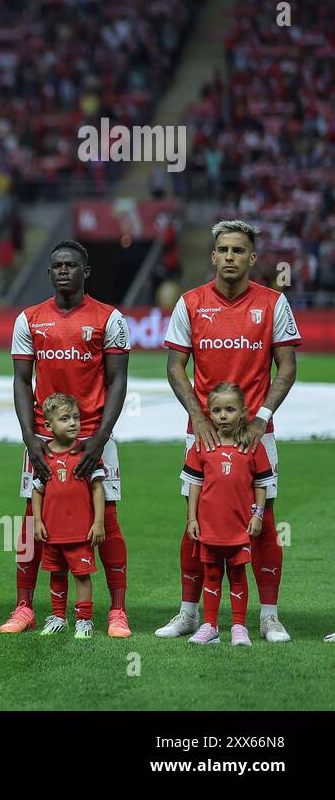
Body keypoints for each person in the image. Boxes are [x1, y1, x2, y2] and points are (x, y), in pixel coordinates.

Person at [158, 220, 299, 643]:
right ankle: (189, 613)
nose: (231, 257)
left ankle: (268, 617)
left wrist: (260, 418)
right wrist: (198, 418)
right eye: (224, 250)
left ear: (253, 258)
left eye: (240, 250)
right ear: (213, 255)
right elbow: (174, 368)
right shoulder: (190, 303)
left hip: (257, 434)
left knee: (264, 521)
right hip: (202, 434)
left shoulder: (274, 303)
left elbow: (287, 368)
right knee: (197, 521)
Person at [3, 239, 132, 637]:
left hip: (94, 437)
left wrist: (100, 437)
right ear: (48, 273)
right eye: (56, 265)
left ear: (85, 272)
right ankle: (25, 607)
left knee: (105, 521)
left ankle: (117, 611)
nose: (62, 270)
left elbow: (117, 380)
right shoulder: (28, 319)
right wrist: (30, 438)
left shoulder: (109, 319)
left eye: (71, 265)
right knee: (34, 523)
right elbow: (22, 383)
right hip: (42, 441)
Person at [182, 383, 272, 647]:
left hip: (239, 527)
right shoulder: (202, 446)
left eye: (230, 410)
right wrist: (192, 518)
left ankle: (239, 627)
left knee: (237, 575)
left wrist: (257, 516)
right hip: (210, 526)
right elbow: (194, 485)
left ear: (243, 412)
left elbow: (261, 485)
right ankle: (210, 626)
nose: (223, 415)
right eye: (217, 410)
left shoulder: (253, 447)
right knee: (211, 573)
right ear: (209, 413)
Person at [29, 393, 106, 640]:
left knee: (82, 575)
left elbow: (97, 488)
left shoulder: (87, 453)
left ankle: (84, 621)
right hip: (53, 530)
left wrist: (98, 522)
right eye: (65, 418)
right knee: (57, 573)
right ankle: (59, 617)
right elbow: (37, 491)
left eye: (75, 417)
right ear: (49, 425)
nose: (73, 422)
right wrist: (38, 521)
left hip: (80, 530)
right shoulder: (43, 456)